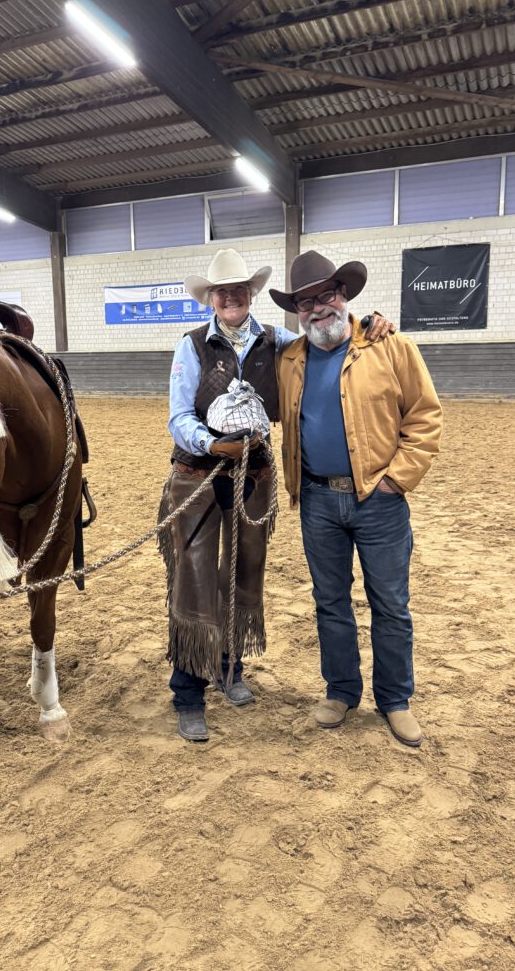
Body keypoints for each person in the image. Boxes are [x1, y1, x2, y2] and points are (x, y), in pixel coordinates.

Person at [159, 248, 392, 743]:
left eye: (240, 289)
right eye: (222, 291)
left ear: (251, 293)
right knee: (194, 579)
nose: (232, 297)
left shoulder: (279, 342)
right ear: (211, 298)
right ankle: (188, 691)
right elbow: (178, 415)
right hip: (198, 475)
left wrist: (368, 324)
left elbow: (328, 339)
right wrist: (210, 444)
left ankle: (230, 667)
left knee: (244, 572)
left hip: (253, 477)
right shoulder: (191, 346)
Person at [271, 249, 442, 747]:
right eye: (305, 302)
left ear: (343, 295)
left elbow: (424, 418)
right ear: (297, 311)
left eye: (325, 295)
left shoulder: (391, 347)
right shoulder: (289, 359)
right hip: (317, 499)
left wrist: (396, 480)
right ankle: (341, 690)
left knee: (390, 604)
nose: (317, 308)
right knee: (330, 602)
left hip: (379, 501)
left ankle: (395, 699)